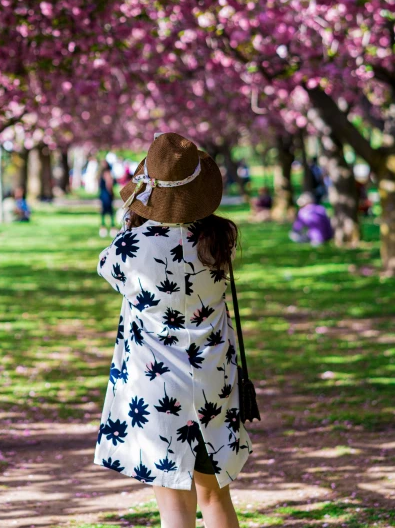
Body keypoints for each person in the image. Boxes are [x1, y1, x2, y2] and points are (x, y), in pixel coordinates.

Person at [95, 132, 252, 528]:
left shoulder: (129, 251)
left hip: (157, 388)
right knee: (215, 497)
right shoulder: (219, 240)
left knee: (174, 507)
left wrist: (132, 216)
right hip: (213, 380)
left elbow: (107, 266)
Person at [99, 160, 116, 238]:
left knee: (105, 210)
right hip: (106, 194)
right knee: (109, 210)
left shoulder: (103, 174)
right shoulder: (107, 174)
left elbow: (108, 184)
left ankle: (104, 226)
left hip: (104, 194)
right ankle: (111, 226)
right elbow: (109, 184)